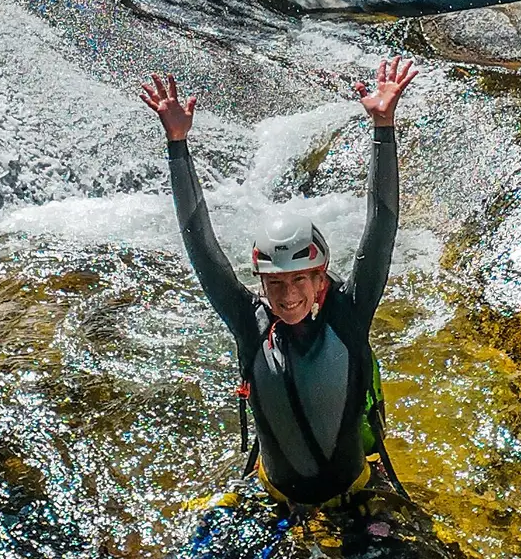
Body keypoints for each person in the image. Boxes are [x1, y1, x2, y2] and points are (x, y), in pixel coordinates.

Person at [140, 57, 419, 510]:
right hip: (275, 501)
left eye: (298, 280)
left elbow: (382, 224)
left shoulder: (350, 313)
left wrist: (383, 127)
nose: (287, 296)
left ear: (320, 278)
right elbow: (200, 242)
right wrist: (177, 143)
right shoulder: (247, 322)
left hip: (354, 499)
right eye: (274, 283)